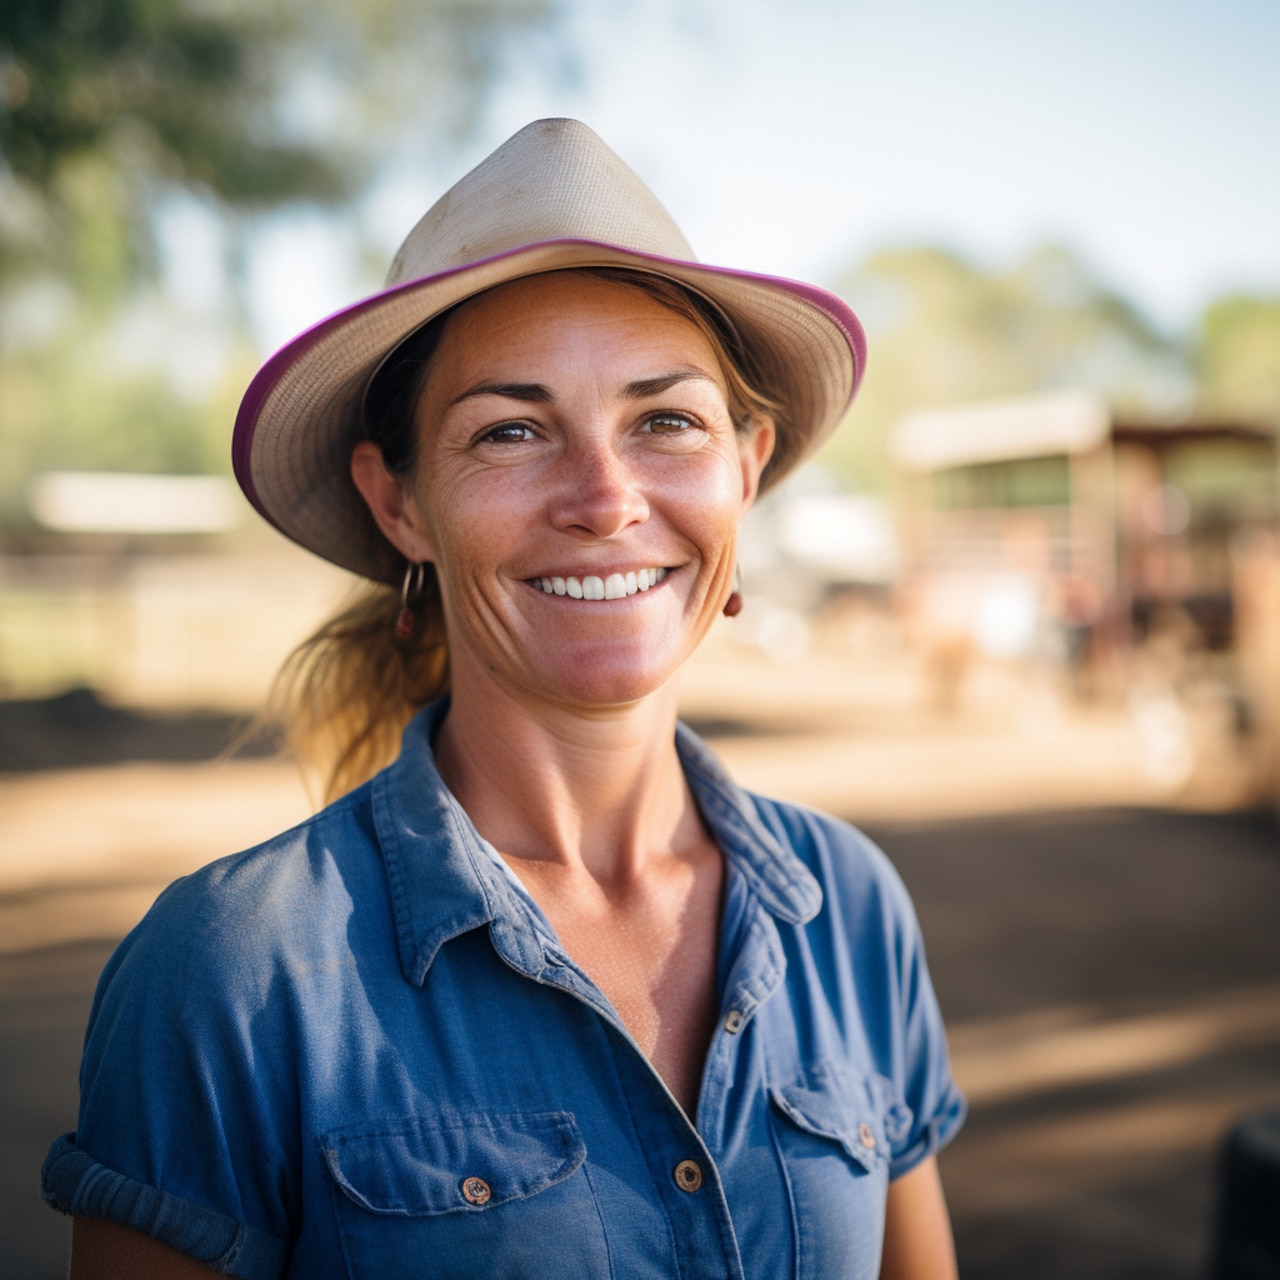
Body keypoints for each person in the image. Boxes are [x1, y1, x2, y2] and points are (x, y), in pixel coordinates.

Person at [43, 119, 965, 1279]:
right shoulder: (229, 972)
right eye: (512, 430)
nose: (604, 497)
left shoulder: (849, 908)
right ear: (401, 505)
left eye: (665, 419)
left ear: (745, 465)